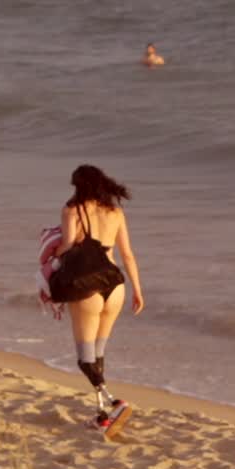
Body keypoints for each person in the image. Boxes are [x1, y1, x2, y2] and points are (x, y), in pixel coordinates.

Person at [47, 164, 144, 431]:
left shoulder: (72, 210)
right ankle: (101, 413)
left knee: (84, 358)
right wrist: (137, 290)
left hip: (87, 288)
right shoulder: (115, 211)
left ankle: (112, 403)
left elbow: (67, 245)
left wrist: (53, 252)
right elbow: (128, 254)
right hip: (115, 286)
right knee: (99, 352)